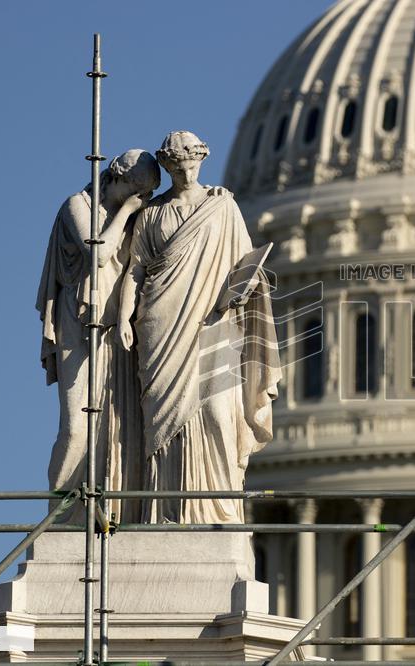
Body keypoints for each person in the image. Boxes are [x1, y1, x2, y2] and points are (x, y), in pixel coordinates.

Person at [118, 131, 280, 524]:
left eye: (192, 166)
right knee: (162, 424)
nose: (186, 173)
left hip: (215, 323)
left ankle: (218, 509)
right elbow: (136, 269)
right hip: (160, 324)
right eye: (178, 168)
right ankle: (165, 511)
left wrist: (245, 291)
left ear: (202, 162)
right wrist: (123, 316)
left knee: (219, 416)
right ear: (168, 167)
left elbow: (248, 265)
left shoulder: (223, 207)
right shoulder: (152, 214)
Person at [37, 149, 159, 522]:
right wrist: (125, 211)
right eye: (139, 190)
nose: (144, 201)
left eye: (149, 194)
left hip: (117, 332)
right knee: (76, 428)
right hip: (79, 326)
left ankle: (103, 511)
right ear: (118, 179)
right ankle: (60, 518)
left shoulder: (135, 215)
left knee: (114, 430)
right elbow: (99, 255)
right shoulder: (78, 205)